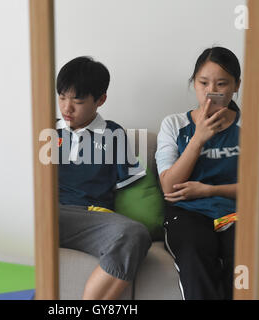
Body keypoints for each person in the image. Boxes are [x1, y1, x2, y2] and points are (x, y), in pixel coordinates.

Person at [56, 56, 151, 300]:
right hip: (49, 214)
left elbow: (130, 182)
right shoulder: (48, 131)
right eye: (62, 97)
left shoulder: (113, 133)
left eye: (77, 100)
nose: (67, 108)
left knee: (135, 233)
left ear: (100, 100)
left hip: (93, 220)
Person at [155, 46, 241, 300]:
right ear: (194, 83)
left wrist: (210, 190)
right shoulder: (174, 124)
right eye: (203, 82)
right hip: (188, 212)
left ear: (236, 85)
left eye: (222, 83)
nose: (211, 91)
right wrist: (198, 138)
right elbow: (169, 188)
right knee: (195, 253)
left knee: (243, 259)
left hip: (235, 212)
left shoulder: (250, 127)